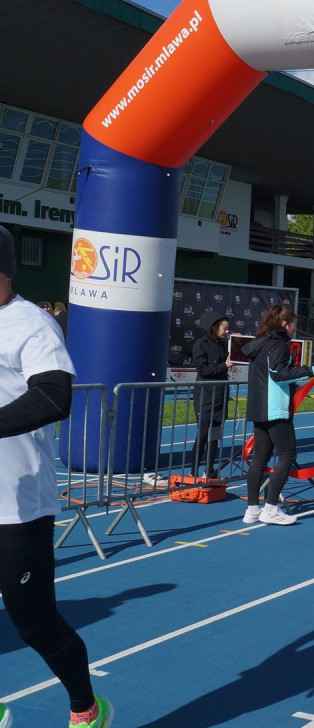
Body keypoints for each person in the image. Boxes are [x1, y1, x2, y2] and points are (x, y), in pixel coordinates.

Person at [0, 225, 113, 727]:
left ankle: (86, 707)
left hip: (18, 503)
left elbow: (53, 396)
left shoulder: (31, 323)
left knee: (34, 623)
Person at [241, 305, 314, 526]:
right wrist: (310, 370)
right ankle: (270, 508)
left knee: (259, 459)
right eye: (294, 325)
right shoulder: (278, 345)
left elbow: (271, 377)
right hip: (275, 409)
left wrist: (294, 385)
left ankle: (252, 509)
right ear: (285, 324)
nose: (294, 330)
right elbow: (279, 375)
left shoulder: (260, 345)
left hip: (259, 408)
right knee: (287, 456)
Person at [190, 313, 233, 478]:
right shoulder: (201, 345)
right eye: (225, 328)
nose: (227, 331)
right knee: (202, 435)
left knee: (214, 436)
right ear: (215, 328)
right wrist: (224, 365)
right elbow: (203, 371)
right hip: (205, 397)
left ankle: (209, 471)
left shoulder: (223, 345)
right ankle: (192, 472)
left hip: (220, 396)